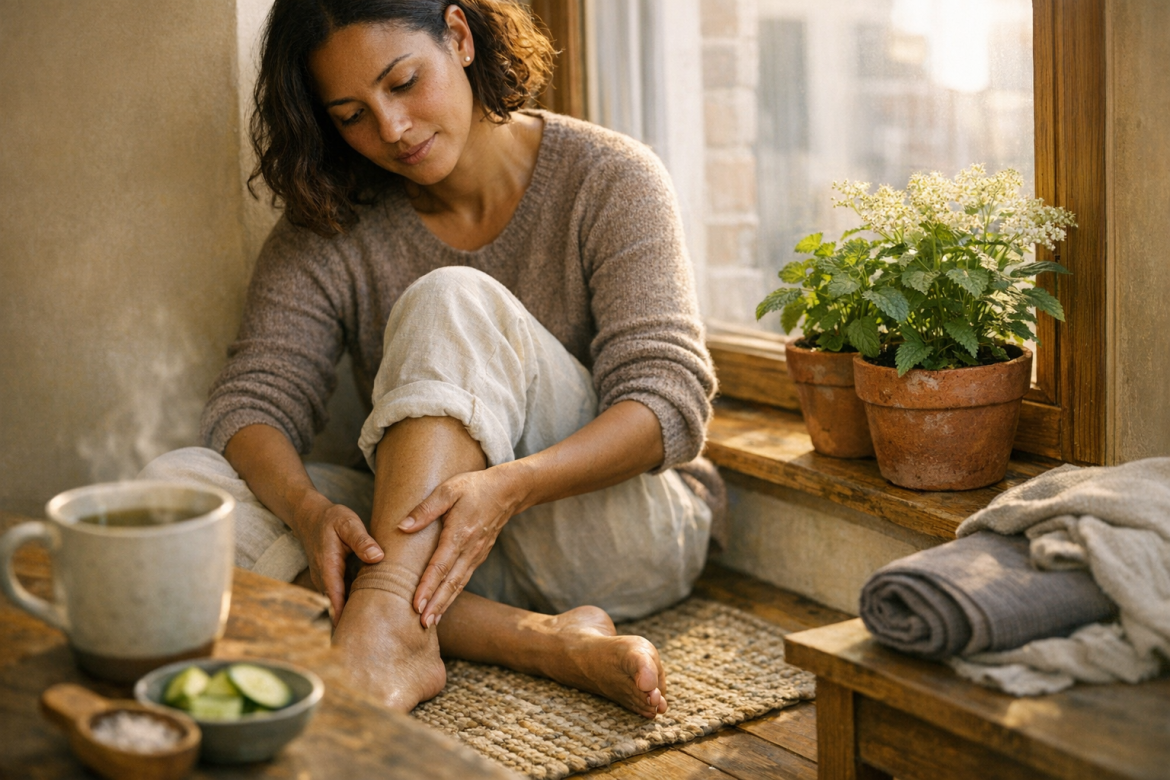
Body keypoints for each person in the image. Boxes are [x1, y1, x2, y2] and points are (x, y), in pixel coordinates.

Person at [142, 0, 723, 718]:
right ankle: (537, 641)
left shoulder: (610, 177)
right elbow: (251, 402)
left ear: (458, 35)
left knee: (452, 297)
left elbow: (669, 405)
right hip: (437, 553)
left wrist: (509, 487)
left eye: (404, 82)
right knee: (175, 495)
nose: (391, 129)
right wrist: (307, 512)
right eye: (352, 115)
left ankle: (383, 620)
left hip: (611, 537)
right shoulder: (333, 224)